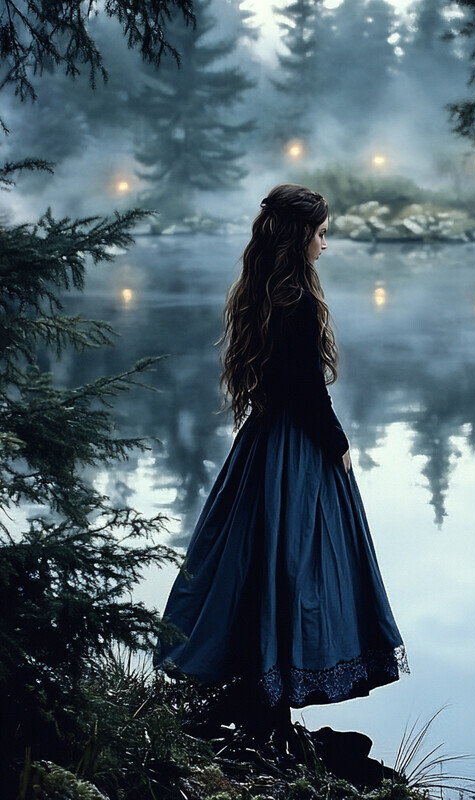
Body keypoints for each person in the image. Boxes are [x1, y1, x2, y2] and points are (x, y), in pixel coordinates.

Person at [155, 183, 408, 751]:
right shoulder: (293, 298)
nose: (326, 243)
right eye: (321, 233)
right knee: (291, 568)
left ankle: (265, 710)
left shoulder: (265, 290)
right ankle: (270, 717)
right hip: (293, 449)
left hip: (265, 443)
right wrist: (335, 440)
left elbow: (284, 380)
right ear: (299, 236)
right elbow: (300, 384)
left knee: (260, 564)